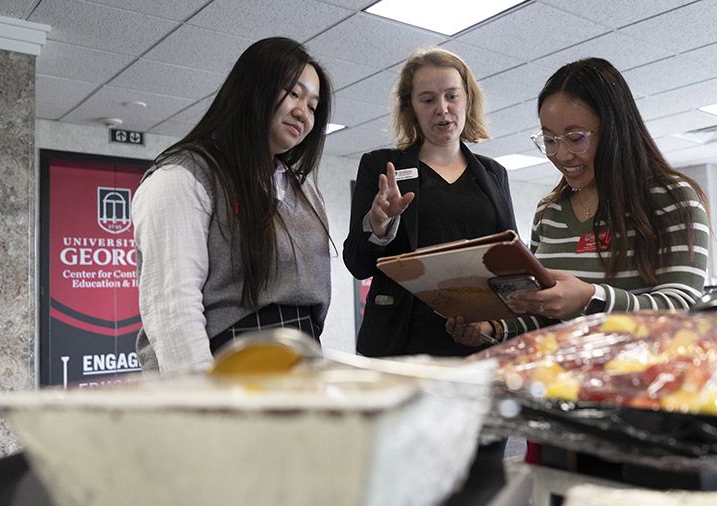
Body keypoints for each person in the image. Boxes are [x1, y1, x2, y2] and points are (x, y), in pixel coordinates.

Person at [449, 57, 710, 345]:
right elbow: (544, 313)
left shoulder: (672, 199)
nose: (561, 154)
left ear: (615, 130)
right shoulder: (549, 212)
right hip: (559, 383)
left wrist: (591, 298)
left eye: (576, 138)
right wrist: (494, 328)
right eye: (549, 140)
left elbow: (682, 310)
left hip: (639, 384)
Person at [133, 37, 333, 374]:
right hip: (226, 369)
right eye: (294, 93)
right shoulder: (183, 177)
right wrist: (207, 406)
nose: (304, 112)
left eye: (313, 106)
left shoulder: (303, 189)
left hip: (301, 367)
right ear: (253, 89)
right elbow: (172, 307)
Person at [343, 47, 517, 358]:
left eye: (452, 96)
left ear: (467, 99)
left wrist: (494, 325)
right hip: (402, 344)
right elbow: (357, 264)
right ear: (410, 108)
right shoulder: (382, 167)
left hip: (478, 341)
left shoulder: (494, 173)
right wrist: (378, 225)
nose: (442, 108)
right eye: (427, 99)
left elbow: (509, 261)